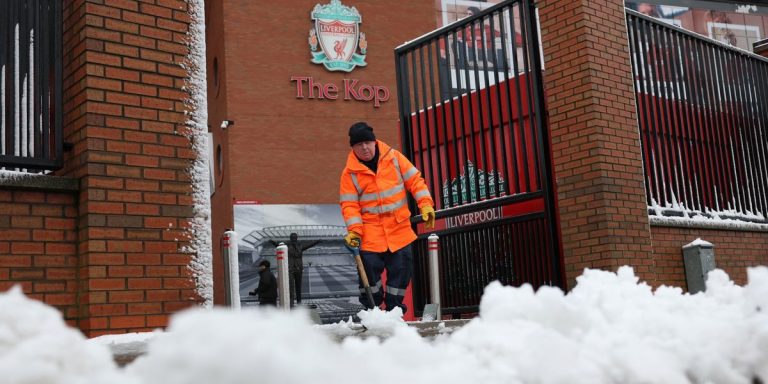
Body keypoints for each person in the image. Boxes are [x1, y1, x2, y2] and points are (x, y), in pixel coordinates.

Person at [339, 122, 436, 314]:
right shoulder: (349, 174)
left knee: (400, 276)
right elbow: (350, 206)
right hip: (370, 235)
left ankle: (394, 312)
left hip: (399, 231)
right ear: (353, 148)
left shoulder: (394, 158)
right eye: (359, 145)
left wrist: (425, 204)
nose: (365, 148)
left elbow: (415, 181)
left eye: (368, 142)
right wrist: (355, 232)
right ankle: (372, 312)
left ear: (374, 142)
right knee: (369, 279)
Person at [269, 233, 321, 305]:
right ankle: (291, 304)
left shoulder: (300, 245)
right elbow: (277, 245)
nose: (293, 239)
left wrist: (317, 241)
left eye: (295, 237)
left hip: (299, 269)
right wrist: (271, 241)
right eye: (292, 237)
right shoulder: (286, 245)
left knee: (298, 287)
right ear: (290, 238)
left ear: (297, 238)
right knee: (291, 288)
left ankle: (299, 304)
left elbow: (310, 244)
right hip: (290, 269)